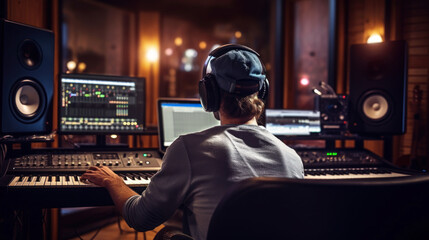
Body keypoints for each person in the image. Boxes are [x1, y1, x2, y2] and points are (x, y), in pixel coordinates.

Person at [80, 44, 304, 240]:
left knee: (166, 234)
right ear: (262, 91)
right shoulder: (291, 157)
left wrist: (114, 182)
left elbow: (141, 219)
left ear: (209, 94)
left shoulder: (190, 148)